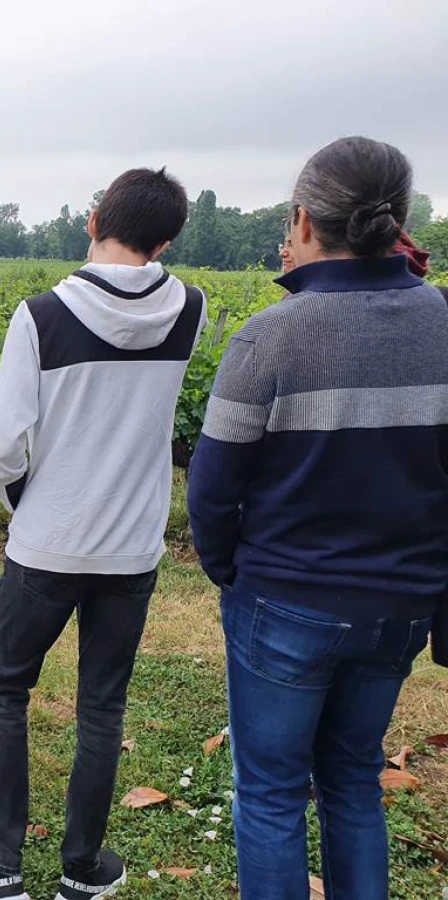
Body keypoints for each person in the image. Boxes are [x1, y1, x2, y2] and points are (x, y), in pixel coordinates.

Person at [188, 136, 448, 900]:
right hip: (399, 605)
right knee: (354, 782)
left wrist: (229, 568)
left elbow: (211, 487)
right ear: (395, 220)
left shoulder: (270, 336)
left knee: (271, 793)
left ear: (303, 221)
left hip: (284, 600)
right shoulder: (443, 324)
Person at [0, 168, 205, 900]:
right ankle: (83, 867)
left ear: (93, 219)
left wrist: (26, 501)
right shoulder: (192, 310)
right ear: (167, 240)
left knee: (6, 691)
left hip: (47, 543)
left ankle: (0, 866)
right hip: (133, 547)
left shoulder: (42, 315)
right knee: (102, 705)